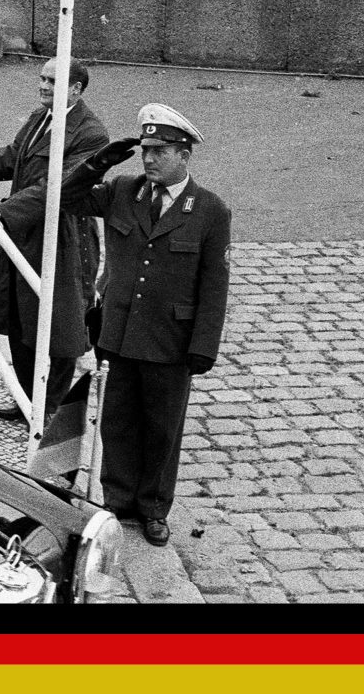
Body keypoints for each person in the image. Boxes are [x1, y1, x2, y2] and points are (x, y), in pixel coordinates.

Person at [61, 103, 232, 547]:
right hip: (117, 333)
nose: (150, 159)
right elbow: (67, 197)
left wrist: (204, 345)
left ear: (184, 154)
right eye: (145, 150)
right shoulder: (123, 190)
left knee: (162, 426)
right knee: (116, 421)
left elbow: (214, 284)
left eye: (160, 151)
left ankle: (154, 508)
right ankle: (116, 501)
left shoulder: (210, 210)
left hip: (170, 341)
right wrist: (100, 161)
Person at [0, 58, 109, 423]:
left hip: (65, 238)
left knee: (61, 324)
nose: (44, 85)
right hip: (25, 230)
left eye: (53, 80)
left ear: (76, 89)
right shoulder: (41, 117)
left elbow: (61, 186)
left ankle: (47, 409)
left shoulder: (91, 134)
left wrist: (4, 209)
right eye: (42, 78)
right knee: (20, 316)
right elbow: (13, 156)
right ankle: (26, 397)